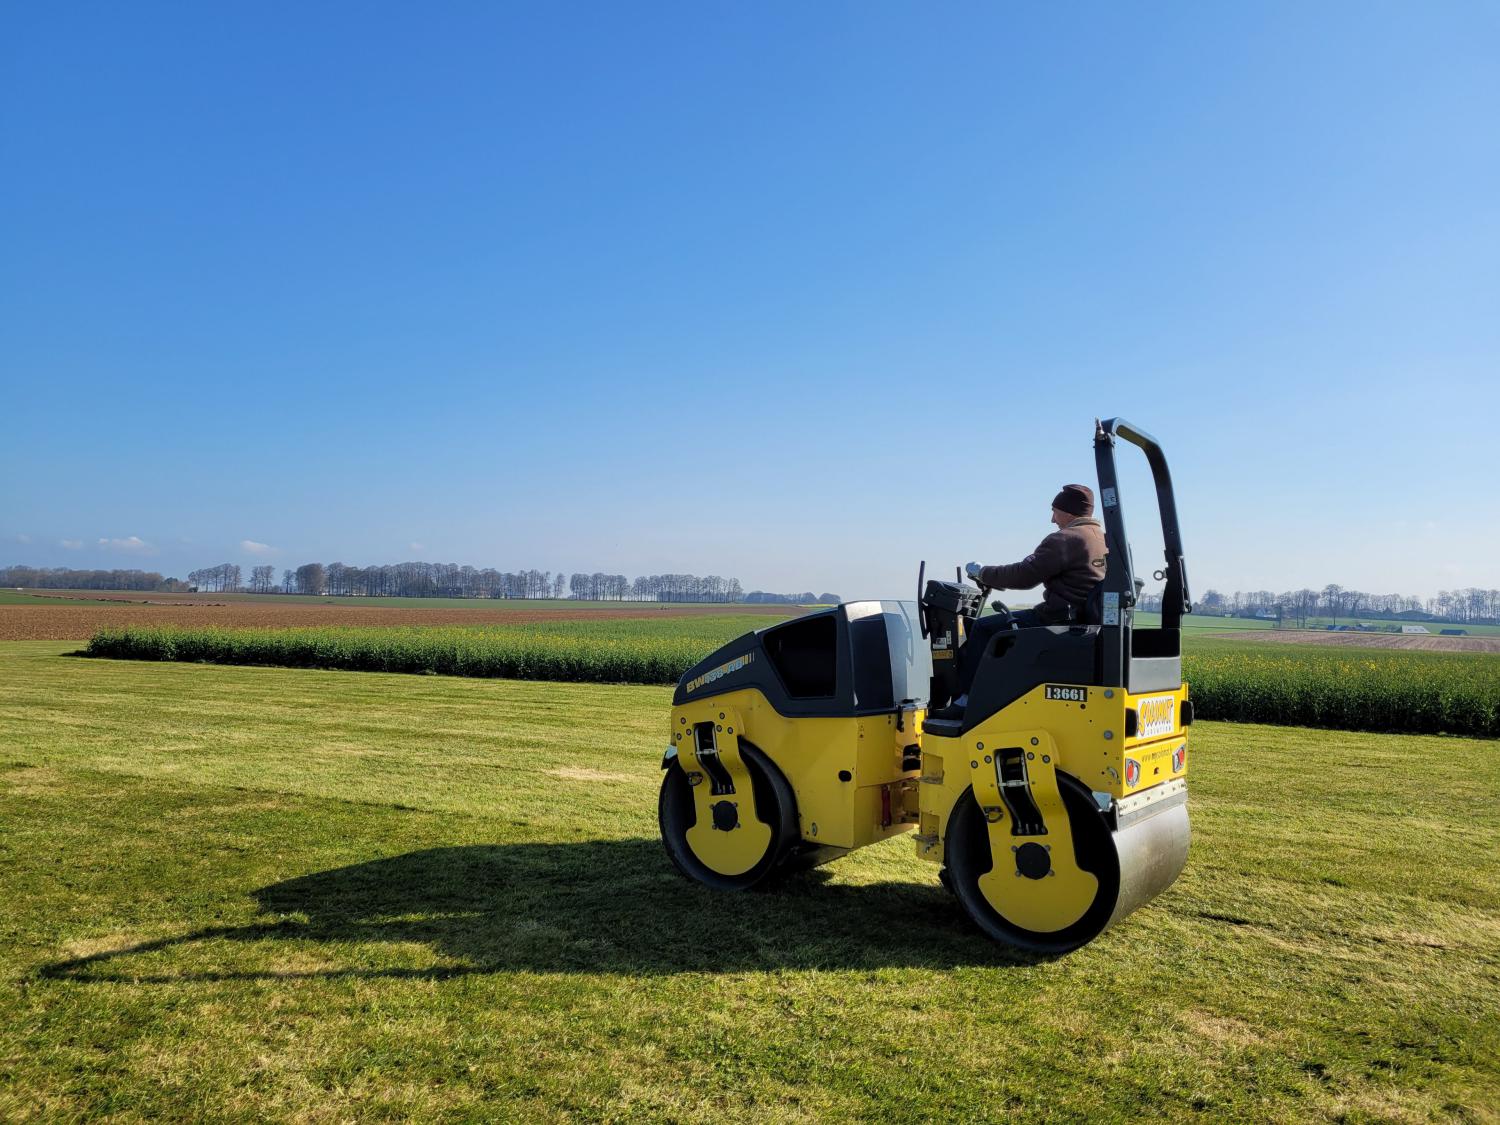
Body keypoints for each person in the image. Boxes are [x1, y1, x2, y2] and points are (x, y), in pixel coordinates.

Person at [933, 484, 1107, 719]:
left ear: (1068, 512)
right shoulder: (1102, 539)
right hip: (1083, 619)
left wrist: (983, 573)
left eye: (1055, 512)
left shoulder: (1066, 539)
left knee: (982, 628)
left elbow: (1023, 575)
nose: (1052, 519)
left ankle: (966, 701)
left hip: (1056, 619)